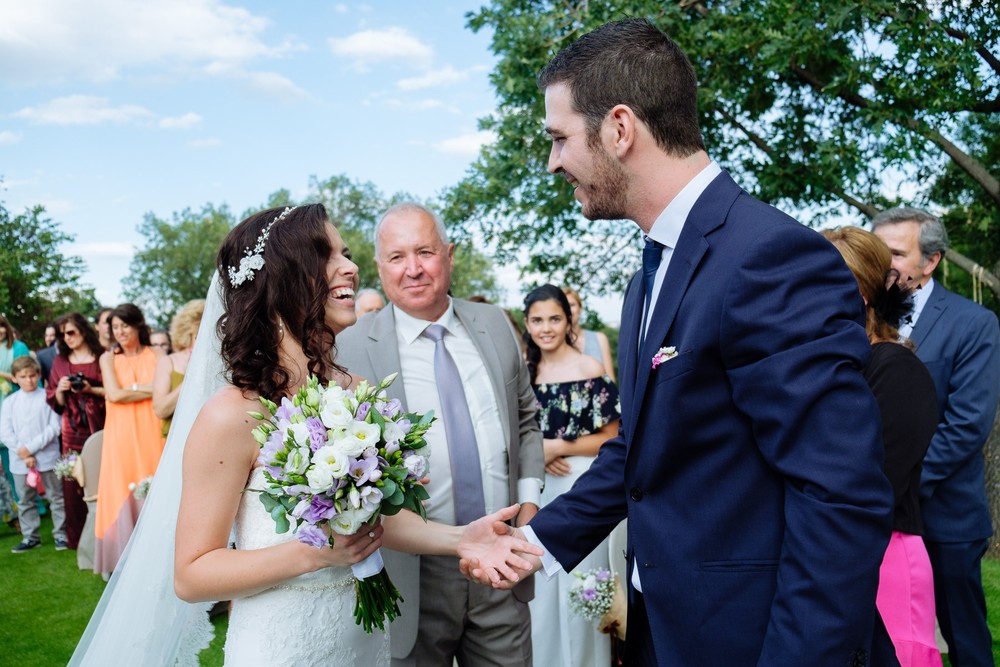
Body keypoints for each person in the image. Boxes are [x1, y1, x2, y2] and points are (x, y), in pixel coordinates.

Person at [463, 19, 897, 666]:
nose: (553, 162)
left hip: (752, 641)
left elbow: (838, 494)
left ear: (619, 128)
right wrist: (537, 542)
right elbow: (642, 453)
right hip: (663, 632)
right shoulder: (647, 279)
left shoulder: (767, 257)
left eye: (559, 139)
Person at [337, 202, 545, 667]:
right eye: (397, 257)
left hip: (501, 562)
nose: (413, 269)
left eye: (425, 252)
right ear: (379, 266)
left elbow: (527, 420)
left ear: (449, 255)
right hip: (411, 575)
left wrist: (528, 509)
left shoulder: (495, 325)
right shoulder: (350, 347)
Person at [872, 207, 1000, 667]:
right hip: (877, 515)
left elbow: (966, 425)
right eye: (876, 250)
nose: (883, 261)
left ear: (932, 262)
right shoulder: (857, 317)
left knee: (964, 641)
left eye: (897, 253)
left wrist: (898, 487)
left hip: (945, 516)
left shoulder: (974, 324)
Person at [824, 226, 943, 667]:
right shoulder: (829, 367)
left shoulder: (895, 370)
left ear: (862, 294)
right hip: (830, 556)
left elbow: (873, 484)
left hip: (884, 558)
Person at [522, 284, 620, 667]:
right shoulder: (523, 373)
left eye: (554, 319)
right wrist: (537, 455)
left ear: (568, 321)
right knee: (542, 597)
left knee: (581, 590)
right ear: (527, 324)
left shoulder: (589, 369)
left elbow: (612, 438)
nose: (546, 328)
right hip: (538, 491)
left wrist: (558, 447)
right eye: (537, 320)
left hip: (582, 487)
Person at [94, 303, 164, 576]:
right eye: (115, 328)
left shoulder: (157, 353)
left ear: (138, 325)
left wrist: (130, 389)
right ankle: (125, 562)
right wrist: (148, 389)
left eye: (125, 325)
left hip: (153, 428)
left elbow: (167, 389)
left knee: (157, 483)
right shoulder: (107, 359)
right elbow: (114, 394)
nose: (120, 332)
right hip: (122, 434)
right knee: (122, 488)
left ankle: (159, 558)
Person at [46, 313, 106, 551]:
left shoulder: (101, 356)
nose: (67, 338)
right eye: (62, 335)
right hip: (71, 427)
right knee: (72, 481)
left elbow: (110, 389)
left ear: (82, 330)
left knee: (100, 474)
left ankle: (105, 535)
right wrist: (61, 389)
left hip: (99, 422)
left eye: (70, 332)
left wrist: (91, 389)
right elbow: (53, 398)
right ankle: (76, 537)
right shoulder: (60, 361)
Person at [0, 355, 66, 552]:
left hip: (46, 456)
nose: (28, 380)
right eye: (23, 376)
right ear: (14, 378)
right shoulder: (10, 402)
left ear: (38, 374)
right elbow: (5, 430)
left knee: (56, 496)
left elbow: (54, 426)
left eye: (31, 375)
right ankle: (31, 536)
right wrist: (22, 451)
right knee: (25, 499)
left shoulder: (48, 396)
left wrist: (32, 448)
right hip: (20, 459)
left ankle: (61, 534)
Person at [152, 299, 205, 437]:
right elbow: (161, 410)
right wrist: (191, 376)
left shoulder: (220, 361)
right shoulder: (168, 361)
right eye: (198, 334)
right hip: (176, 438)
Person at [0, 313, 31, 520]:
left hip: (16, 402)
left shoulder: (18, 347)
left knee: (24, 449)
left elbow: (26, 372)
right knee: (7, 454)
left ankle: (34, 502)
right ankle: (20, 504)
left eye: (1, 326)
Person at [561, 287, 615, 381]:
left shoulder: (599, 339)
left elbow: (610, 379)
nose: (568, 309)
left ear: (580, 308)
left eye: (572, 305)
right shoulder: (553, 343)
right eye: (564, 305)